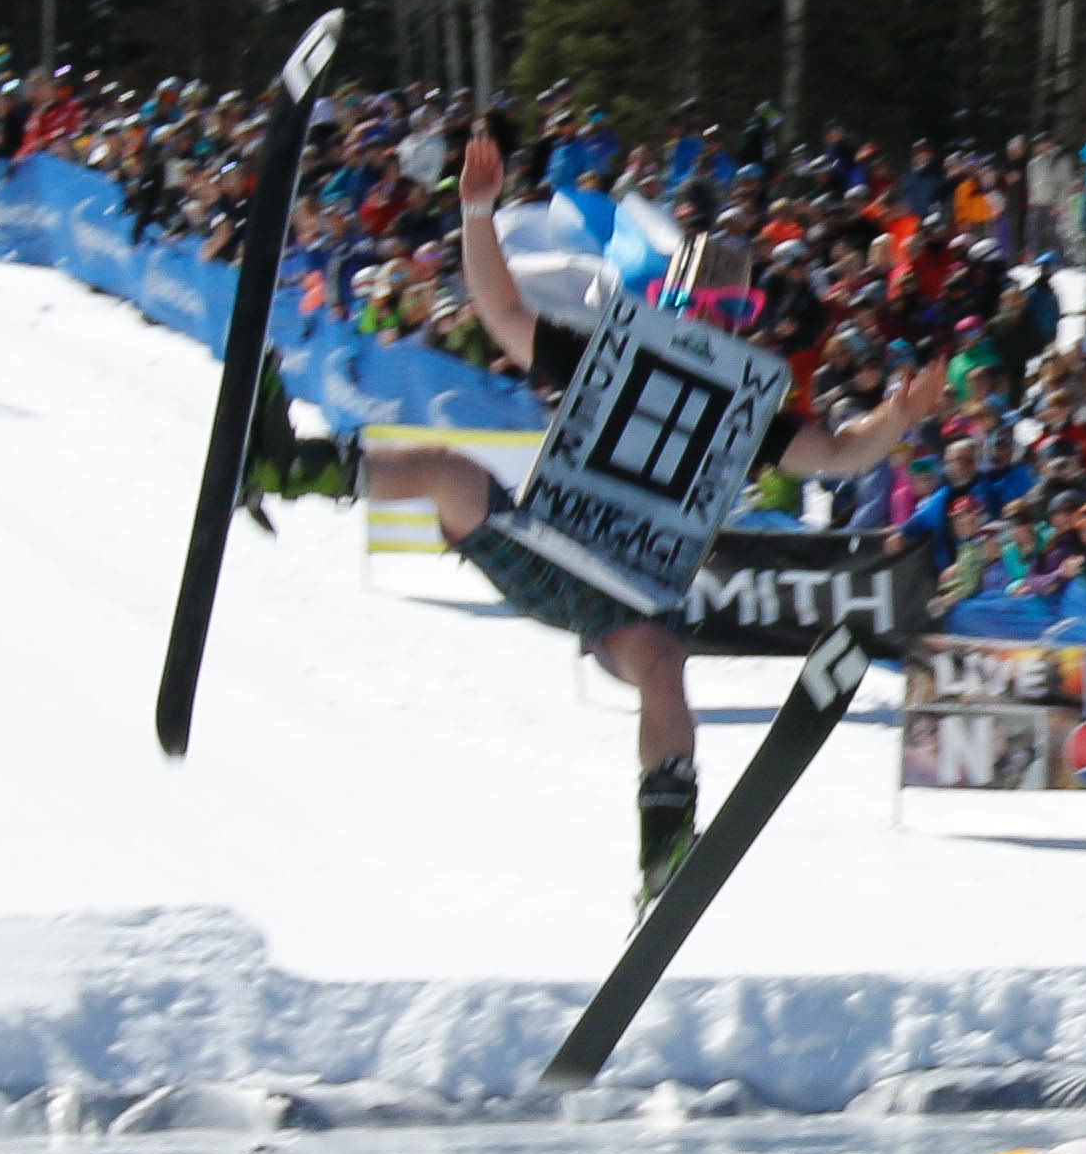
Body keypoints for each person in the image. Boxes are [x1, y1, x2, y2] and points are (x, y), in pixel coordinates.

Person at [286, 120, 947, 883]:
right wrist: (475, 215)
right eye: (697, 315)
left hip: (627, 592)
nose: (702, 336)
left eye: (718, 321)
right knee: (451, 476)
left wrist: (898, 415)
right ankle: (293, 467)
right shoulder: (610, 351)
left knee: (663, 663)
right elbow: (500, 310)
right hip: (557, 546)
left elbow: (838, 455)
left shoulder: (745, 409)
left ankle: (664, 843)